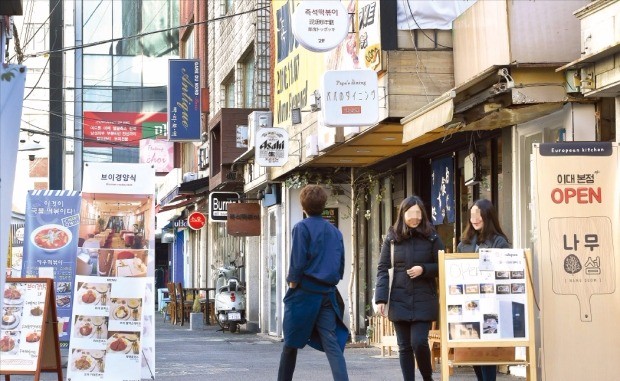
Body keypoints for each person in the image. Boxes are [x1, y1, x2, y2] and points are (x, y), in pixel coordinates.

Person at [277, 185, 349, 381]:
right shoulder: (334, 231)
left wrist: (292, 283)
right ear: (324, 205)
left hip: (304, 292)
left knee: (290, 343)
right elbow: (340, 264)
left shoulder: (301, 227)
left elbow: (297, 261)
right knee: (332, 343)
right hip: (327, 292)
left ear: (303, 206)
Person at [374, 196, 445, 381]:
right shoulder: (392, 238)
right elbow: (382, 268)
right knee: (404, 345)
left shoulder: (432, 236)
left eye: (418, 213)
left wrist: (424, 269)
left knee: (419, 342)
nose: (415, 218)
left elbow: (444, 265)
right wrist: (381, 299)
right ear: (403, 214)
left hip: (423, 299)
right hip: (398, 297)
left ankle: (427, 377)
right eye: (411, 214)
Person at [457, 199, 510, 381]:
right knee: (473, 350)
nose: (474, 219)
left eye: (478, 214)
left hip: (491, 304)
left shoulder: (499, 242)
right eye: (472, 215)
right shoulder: (463, 243)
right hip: (469, 303)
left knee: (488, 348)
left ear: (487, 216)